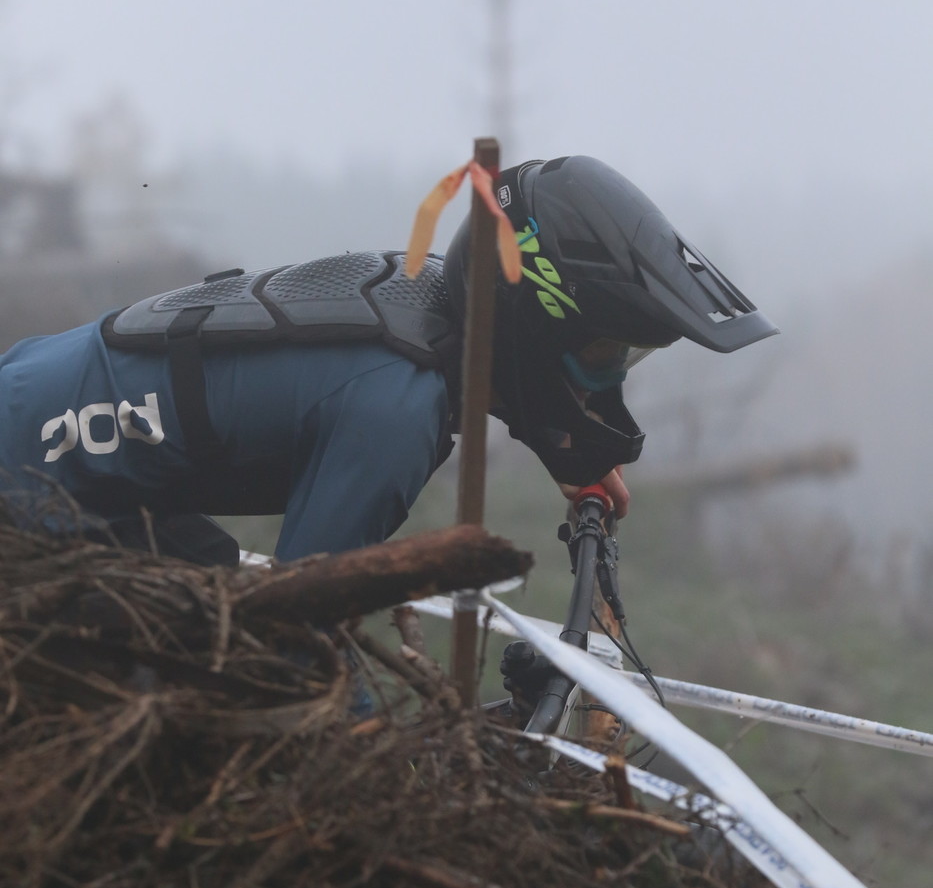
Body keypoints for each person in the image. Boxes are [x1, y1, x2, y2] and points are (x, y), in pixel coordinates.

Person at [0, 155, 777, 567]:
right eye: (605, 355)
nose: (610, 378)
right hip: (29, 480)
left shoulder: (419, 293)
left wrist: (559, 443)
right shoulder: (396, 413)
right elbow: (305, 620)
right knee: (197, 665)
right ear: (534, 328)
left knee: (214, 603)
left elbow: (495, 345)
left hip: (56, 427)